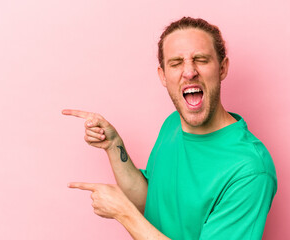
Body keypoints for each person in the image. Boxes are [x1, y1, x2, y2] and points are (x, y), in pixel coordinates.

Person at [62, 16, 277, 240]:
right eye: (176, 63)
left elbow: (133, 212)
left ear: (222, 69)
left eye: (201, 59)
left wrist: (123, 213)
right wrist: (114, 146)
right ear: (163, 76)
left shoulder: (250, 170)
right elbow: (150, 202)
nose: (189, 71)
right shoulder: (173, 124)